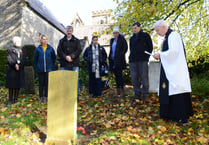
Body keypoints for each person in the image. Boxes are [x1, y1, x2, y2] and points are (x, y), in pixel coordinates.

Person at [153, 20, 193, 123]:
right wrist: (160, 55)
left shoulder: (173, 35)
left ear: (163, 27)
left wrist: (161, 55)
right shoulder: (168, 36)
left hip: (176, 71)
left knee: (176, 91)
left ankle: (180, 116)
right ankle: (169, 114)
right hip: (169, 68)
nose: (157, 33)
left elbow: (174, 52)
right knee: (168, 90)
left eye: (157, 30)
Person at [129, 22, 153, 101]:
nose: (134, 30)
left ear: (139, 27)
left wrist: (146, 57)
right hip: (133, 61)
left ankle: (145, 94)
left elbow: (150, 47)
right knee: (134, 78)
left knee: (144, 78)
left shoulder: (146, 36)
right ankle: (137, 93)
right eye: (133, 28)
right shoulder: (131, 38)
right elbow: (131, 49)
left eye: (135, 28)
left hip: (143, 60)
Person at [57, 25, 82, 101]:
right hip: (64, 64)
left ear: (72, 31)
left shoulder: (77, 41)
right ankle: (66, 97)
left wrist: (72, 56)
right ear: (66, 31)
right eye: (67, 30)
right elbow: (59, 51)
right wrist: (65, 57)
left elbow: (79, 50)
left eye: (70, 31)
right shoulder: (61, 41)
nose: (69, 32)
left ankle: (75, 97)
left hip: (74, 64)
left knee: (75, 81)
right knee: (65, 81)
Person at [34, 35, 56, 103]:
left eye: (46, 39)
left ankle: (46, 97)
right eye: (43, 39)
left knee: (47, 84)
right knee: (41, 84)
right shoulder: (38, 49)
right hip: (40, 69)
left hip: (49, 69)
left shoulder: (51, 48)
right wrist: (37, 67)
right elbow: (35, 59)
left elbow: (54, 58)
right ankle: (41, 97)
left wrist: (52, 66)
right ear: (41, 40)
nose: (45, 40)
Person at [6, 36, 27, 105]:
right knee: (11, 86)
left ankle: (15, 99)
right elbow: (9, 59)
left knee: (18, 85)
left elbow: (24, 59)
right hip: (12, 70)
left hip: (20, 70)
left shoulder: (23, 50)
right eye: (17, 41)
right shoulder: (10, 50)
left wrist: (19, 65)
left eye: (19, 41)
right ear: (14, 42)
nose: (19, 43)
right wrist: (14, 65)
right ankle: (10, 100)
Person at [109, 26, 128, 97]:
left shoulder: (122, 39)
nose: (115, 34)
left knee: (120, 76)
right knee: (116, 76)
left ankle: (122, 90)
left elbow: (125, 48)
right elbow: (111, 50)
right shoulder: (112, 40)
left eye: (116, 33)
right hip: (113, 61)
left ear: (118, 33)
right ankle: (118, 90)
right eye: (114, 33)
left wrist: (120, 55)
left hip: (119, 60)